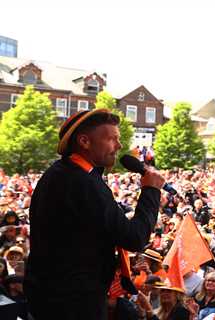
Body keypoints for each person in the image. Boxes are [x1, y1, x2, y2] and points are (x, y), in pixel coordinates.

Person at [24, 109, 165, 320]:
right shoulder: (83, 183)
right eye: (112, 139)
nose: (118, 146)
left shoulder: (60, 173)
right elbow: (134, 237)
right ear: (84, 141)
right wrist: (151, 191)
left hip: (52, 297)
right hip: (74, 303)